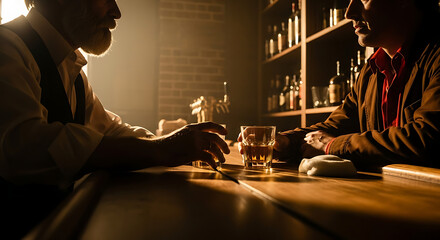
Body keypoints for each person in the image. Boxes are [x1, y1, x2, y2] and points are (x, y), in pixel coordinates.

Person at [0, 0, 229, 237]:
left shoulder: (72, 69)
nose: (117, 12)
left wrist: (176, 145)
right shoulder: (6, 46)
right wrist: (161, 149)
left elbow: (110, 130)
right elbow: (22, 147)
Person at [239, 0, 440, 171]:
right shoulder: (371, 71)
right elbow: (337, 125)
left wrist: (333, 145)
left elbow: (427, 140)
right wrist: (285, 141)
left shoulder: (435, 57)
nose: (349, 13)